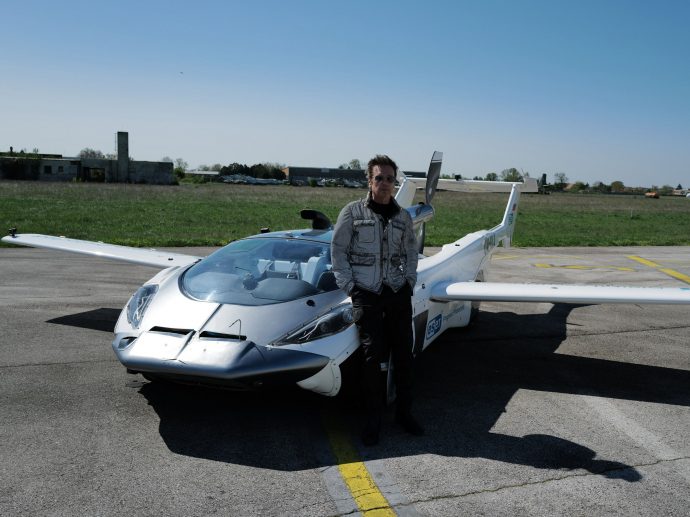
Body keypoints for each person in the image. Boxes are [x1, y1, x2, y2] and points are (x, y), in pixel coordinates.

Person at [331, 154, 424, 446]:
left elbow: (411, 251)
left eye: (389, 179)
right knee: (372, 358)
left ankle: (404, 414)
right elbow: (338, 251)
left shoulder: (403, 217)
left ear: (395, 183)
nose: (385, 183)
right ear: (369, 181)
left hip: (397, 291)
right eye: (379, 178)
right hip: (366, 293)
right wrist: (350, 287)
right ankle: (373, 420)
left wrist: (409, 281)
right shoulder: (352, 212)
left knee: (404, 355)